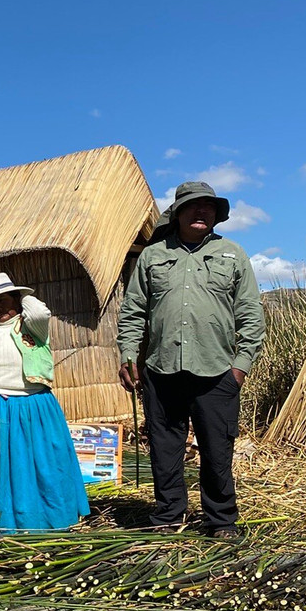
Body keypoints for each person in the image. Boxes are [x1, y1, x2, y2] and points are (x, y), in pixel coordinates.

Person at [117, 181, 264, 539]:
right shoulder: (153, 256)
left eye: (209, 207)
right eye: (193, 206)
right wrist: (127, 354)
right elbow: (133, 311)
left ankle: (221, 521)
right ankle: (169, 515)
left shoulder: (232, 254)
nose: (202, 212)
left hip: (217, 372)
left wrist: (240, 367)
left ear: (216, 215)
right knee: (165, 449)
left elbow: (251, 315)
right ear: (178, 213)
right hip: (161, 368)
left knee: (217, 450)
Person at [0, 273, 89, 533]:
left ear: (17, 299)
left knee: (29, 470)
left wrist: (22, 294)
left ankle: (35, 524)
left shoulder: (31, 325)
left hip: (25, 408)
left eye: (3, 299)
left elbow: (40, 312)